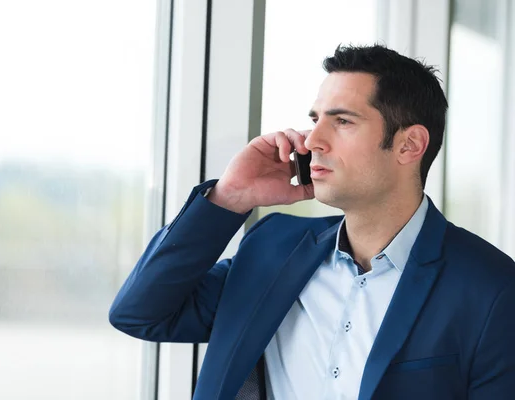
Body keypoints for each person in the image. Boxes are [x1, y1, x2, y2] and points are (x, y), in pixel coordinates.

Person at [108, 44, 515, 399]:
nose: (312, 140)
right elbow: (141, 314)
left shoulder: (492, 288)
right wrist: (230, 197)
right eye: (315, 118)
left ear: (409, 145)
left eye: (342, 121)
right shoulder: (274, 246)